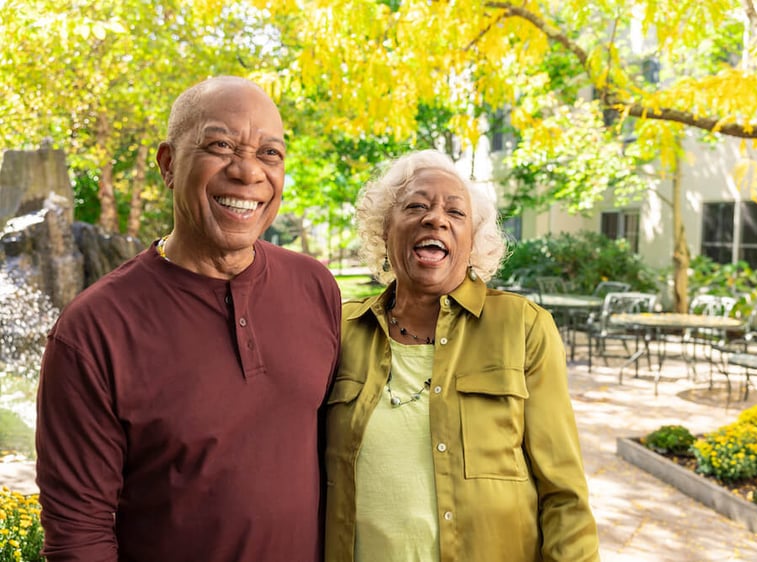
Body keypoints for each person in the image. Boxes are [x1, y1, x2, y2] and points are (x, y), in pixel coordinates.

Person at [35, 76, 341, 561]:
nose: (248, 172)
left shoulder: (314, 287)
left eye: (270, 153)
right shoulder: (94, 330)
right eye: (220, 145)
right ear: (169, 164)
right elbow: (79, 534)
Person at [324, 149, 600, 561]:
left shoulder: (523, 327)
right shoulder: (339, 330)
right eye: (416, 206)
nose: (435, 219)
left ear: (472, 242)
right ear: (384, 228)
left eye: (456, 213)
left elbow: (564, 495)